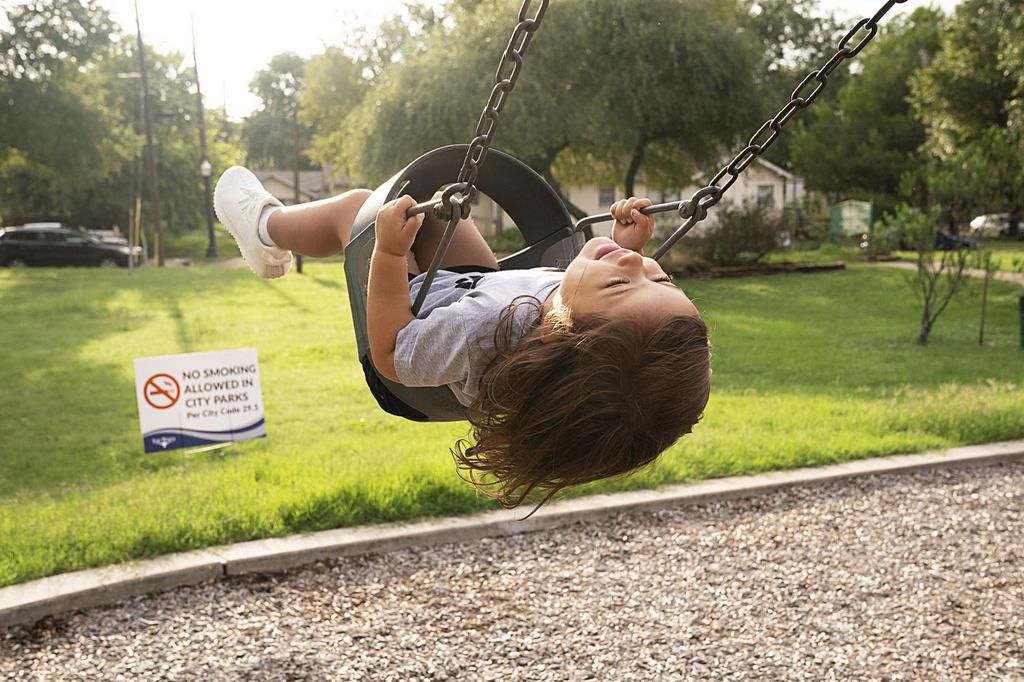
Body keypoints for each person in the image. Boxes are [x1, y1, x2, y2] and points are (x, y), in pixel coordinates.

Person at [214, 166, 711, 514]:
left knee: (360, 210)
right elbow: (623, 302)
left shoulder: (475, 334)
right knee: (439, 209)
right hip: (481, 289)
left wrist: (387, 252)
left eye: (622, 282)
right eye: (662, 281)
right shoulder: (583, 325)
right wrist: (624, 251)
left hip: (412, 312)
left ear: (560, 334)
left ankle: (266, 229)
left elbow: (391, 353)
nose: (635, 267)